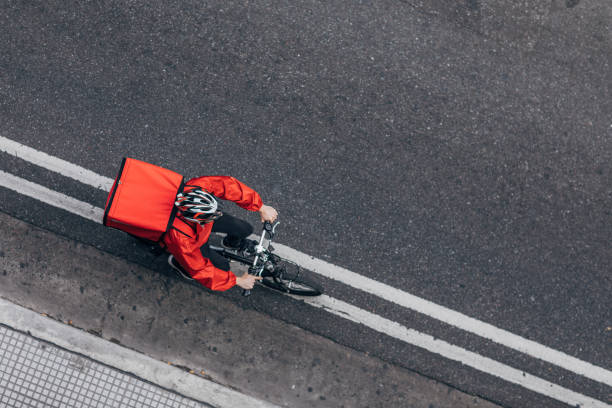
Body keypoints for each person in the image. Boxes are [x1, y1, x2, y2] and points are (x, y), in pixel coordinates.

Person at [163, 176, 278, 291]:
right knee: (223, 267)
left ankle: (231, 243)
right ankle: (179, 263)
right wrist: (237, 281)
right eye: (212, 215)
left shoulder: (197, 186)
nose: (218, 214)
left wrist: (260, 206)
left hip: (202, 224)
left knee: (245, 229)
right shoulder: (180, 238)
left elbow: (227, 185)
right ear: (196, 219)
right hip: (195, 242)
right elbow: (200, 270)